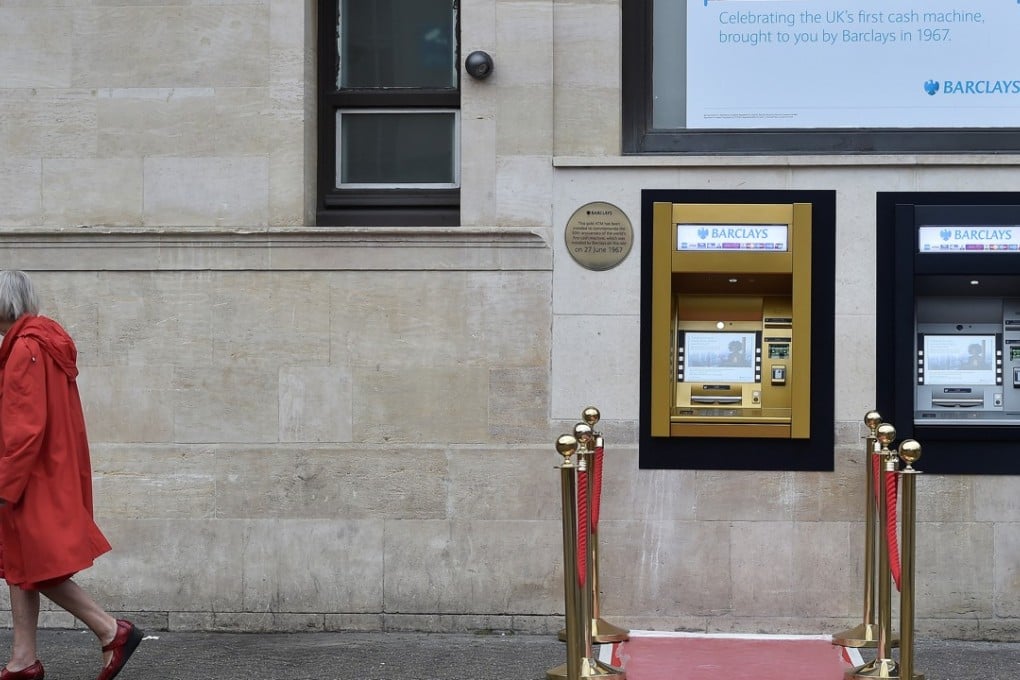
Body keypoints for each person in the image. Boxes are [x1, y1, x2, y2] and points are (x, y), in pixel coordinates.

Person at [0, 271, 142, 680]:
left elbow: (25, 429)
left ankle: (111, 629)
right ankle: (23, 660)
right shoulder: (38, 344)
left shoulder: (24, 348)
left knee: (35, 567)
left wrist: (4, 485)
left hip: (30, 477)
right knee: (19, 564)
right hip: (41, 473)